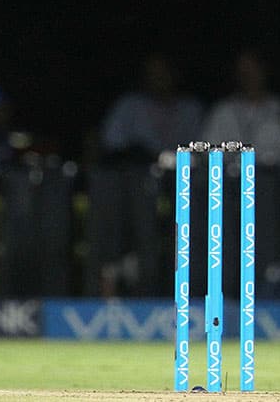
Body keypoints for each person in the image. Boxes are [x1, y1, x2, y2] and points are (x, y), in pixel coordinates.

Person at [85, 53, 204, 296]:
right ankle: (122, 287)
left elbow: (202, 150)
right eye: (152, 74)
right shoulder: (130, 106)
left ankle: (188, 291)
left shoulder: (190, 109)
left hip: (184, 191)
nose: (158, 79)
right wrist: (144, 155)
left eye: (163, 73)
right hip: (133, 188)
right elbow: (112, 144)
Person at [201, 47, 280, 297]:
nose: (248, 76)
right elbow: (206, 151)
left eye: (252, 70)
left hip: (270, 188)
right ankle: (225, 292)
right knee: (226, 240)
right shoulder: (224, 110)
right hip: (227, 189)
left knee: (266, 237)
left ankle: (268, 290)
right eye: (242, 72)